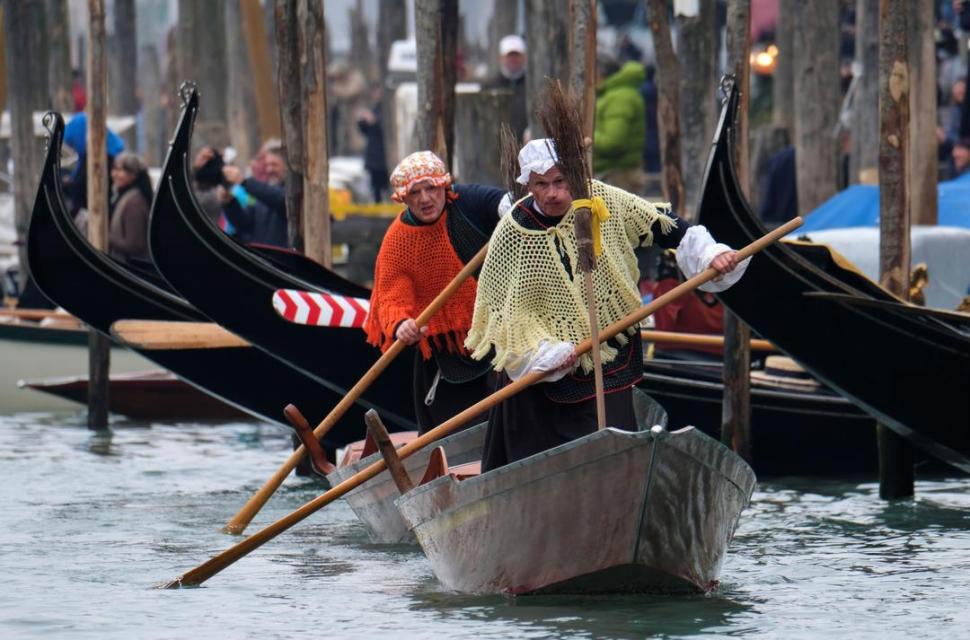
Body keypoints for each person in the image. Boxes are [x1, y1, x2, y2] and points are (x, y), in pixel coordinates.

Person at [465, 139, 749, 471]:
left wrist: (710, 254)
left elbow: (665, 225)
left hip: (607, 348)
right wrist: (544, 352)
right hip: (542, 371)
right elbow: (510, 314)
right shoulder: (514, 230)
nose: (553, 193)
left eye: (561, 182)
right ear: (529, 185)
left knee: (612, 449)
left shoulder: (602, 199)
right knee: (544, 460)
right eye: (542, 184)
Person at [363, 151, 509, 434]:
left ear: (444, 186)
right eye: (414, 192)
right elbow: (391, 297)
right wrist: (402, 324)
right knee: (451, 432)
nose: (425, 199)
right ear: (403, 199)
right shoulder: (397, 241)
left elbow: (505, 203)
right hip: (446, 352)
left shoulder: (468, 200)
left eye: (430, 188)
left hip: (500, 335)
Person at [592, 58, 648, 194]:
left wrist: (583, 134)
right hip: (615, 174)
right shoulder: (613, 94)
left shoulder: (620, 97)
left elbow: (613, 142)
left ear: (600, 74)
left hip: (618, 176)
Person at [220, 145, 289, 247]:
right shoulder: (263, 194)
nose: (269, 170)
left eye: (274, 165)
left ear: (286, 167)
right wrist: (229, 203)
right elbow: (244, 224)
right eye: (267, 165)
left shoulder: (291, 193)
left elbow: (280, 200)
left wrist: (243, 181)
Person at [481, 34, 528, 143]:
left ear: (524, 57)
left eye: (516, 55)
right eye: (509, 55)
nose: (513, 59)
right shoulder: (489, 87)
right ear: (501, 57)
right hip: (495, 147)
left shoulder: (531, 87)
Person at [107, 152, 153, 261]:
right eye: (114, 169)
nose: (115, 174)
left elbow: (135, 245)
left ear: (134, 174)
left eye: (121, 170)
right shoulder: (122, 195)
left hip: (130, 266)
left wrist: (104, 235)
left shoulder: (134, 202)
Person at [356, 86, 390, 202]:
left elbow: (386, 128)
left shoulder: (386, 109)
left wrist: (374, 121)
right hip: (373, 154)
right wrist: (361, 121)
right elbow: (365, 130)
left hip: (383, 154)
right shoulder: (374, 108)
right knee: (375, 185)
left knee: (384, 182)